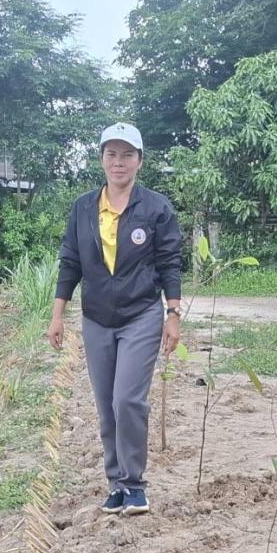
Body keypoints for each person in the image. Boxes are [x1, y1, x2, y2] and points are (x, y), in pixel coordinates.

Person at [48, 123, 184, 516]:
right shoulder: (83, 207)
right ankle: (115, 484)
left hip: (140, 314)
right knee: (105, 404)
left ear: (140, 161)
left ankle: (134, 483)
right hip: (96, 319)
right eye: (112, 154)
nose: (119, 162)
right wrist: (58, 315)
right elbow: (70, 262)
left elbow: (170, 263)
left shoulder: (156, 208)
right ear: (101, 159)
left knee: (128, 399)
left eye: (127, 155)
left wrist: (172, 314)